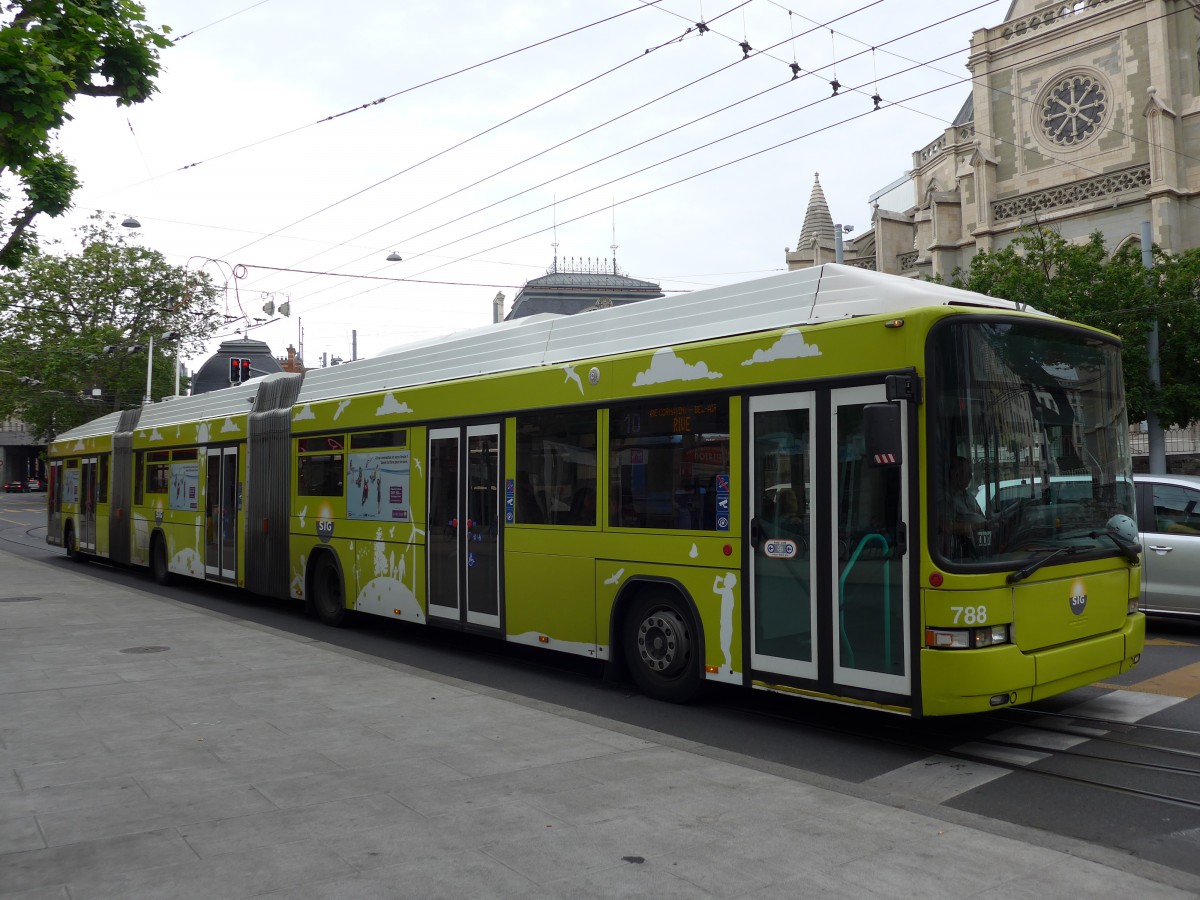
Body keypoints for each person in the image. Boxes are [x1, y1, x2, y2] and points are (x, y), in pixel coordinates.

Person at [945, 456, 986, 556]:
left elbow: (980, 514)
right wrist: (976, 526)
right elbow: (947, 526)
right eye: (968, 473)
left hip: (981, 545)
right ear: (956, 475)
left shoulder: (969, 496)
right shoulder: (947, 500)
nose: (970, 477)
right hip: (964, 549)